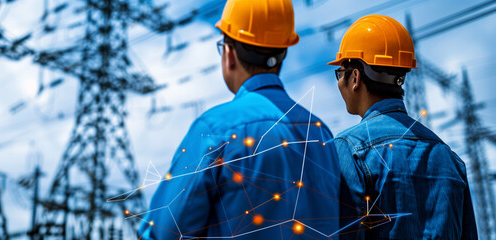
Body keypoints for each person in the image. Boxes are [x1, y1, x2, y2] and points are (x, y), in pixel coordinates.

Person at [138, 0, 341, 239]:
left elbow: (164, 232)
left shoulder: (215, 129)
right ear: (284, 51)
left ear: (229, 53)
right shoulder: (322, 134)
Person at [328, 14, 478, 239]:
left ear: (356, 77)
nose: (340, 82)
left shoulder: (350, 149)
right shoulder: (449, 158)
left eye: (340, 73)